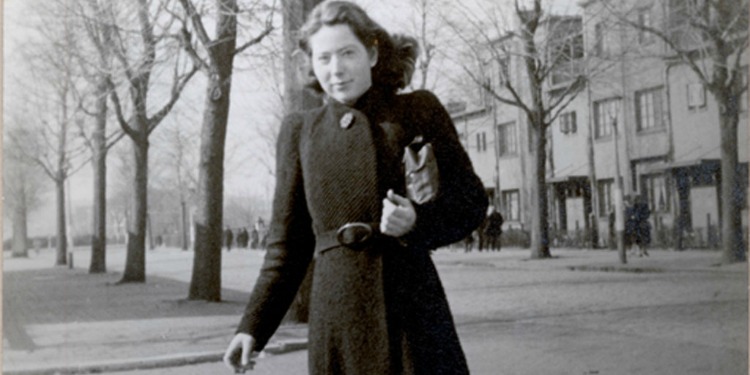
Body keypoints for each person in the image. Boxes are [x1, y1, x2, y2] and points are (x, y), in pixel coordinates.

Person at [223, 2, 487, 374]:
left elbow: (472, 202)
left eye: (348, 53)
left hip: (411, 313)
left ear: (373, 53)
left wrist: (417, 221)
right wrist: (252, 327)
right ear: (311, 64)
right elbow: (287, 248)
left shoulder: (417, 111)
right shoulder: (300, 132)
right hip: (338, 318)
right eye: (324, 57)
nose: (337, 69)